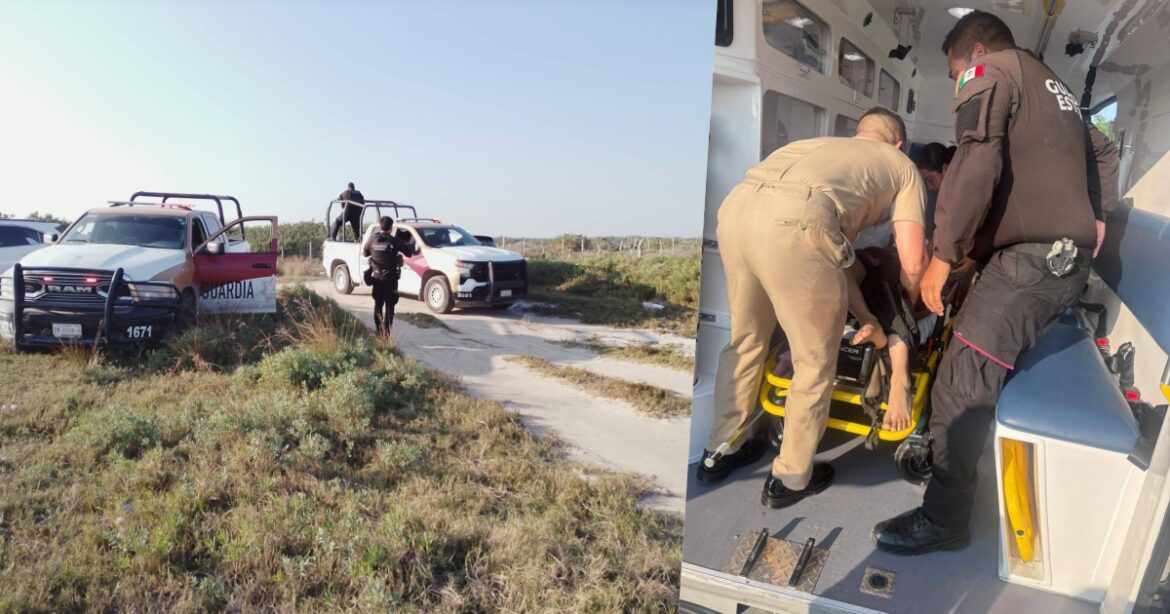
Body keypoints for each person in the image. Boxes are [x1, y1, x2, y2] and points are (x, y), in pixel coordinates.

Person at [872, 10, 1120, 555]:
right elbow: (1103, 150)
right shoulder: (1055, 88)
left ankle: (945, 521)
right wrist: (1096, 217)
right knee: (971, 360)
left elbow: (975, 162)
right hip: (1059, 264)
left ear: (976, 53)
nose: (957, 84)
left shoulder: (989, 73)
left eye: (954, 71)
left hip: (1030, 264)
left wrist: (944, 256)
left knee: (959, 384)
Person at [698, 107, 928, 511]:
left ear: (858, 133)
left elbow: (836, 256)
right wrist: (907, 304)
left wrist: (866, 313)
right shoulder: (901, 166)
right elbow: (912, 261)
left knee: (746, 340)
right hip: (798, 221)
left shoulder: (813, 146)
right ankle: (790, 479)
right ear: (897, 144)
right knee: (815, 362)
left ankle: (720, 451)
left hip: (735, 211)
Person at [362, 216, 416, 336]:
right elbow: (409, 252)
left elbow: (365, 253)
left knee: (378, 305)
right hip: (391, 279)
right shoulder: (394, 241)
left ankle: (379, 332)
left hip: (376, 278)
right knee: (389, 307)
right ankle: (386, 333)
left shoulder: (372, 239)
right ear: (391, 227)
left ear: (380, 226)